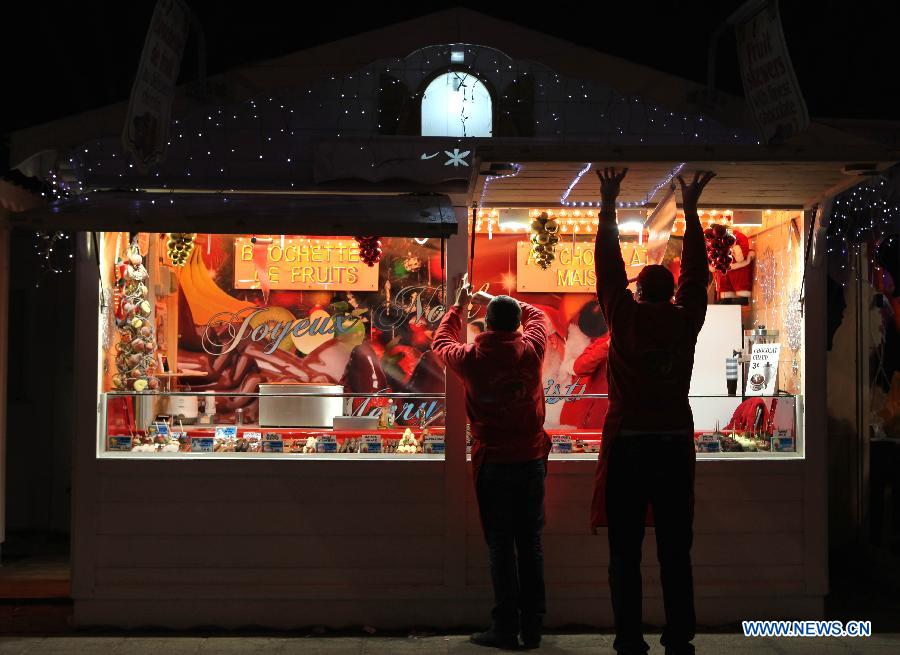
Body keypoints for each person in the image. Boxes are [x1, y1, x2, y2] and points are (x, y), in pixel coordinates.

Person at [590, 167, 716, 655]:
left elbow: (606, 268)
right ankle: (679, 638)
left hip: (628, 444)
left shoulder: (624, 320)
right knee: (674, 551)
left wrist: (608, 199)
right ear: (673, 292)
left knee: (624, 552)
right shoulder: (686, 323)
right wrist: (690, 209)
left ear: (639, 291)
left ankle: (628, 640)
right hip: (672, 443)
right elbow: (699, 275)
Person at [432, 281, 551, 650]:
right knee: (529, 543)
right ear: (515, 324)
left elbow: (440, 343)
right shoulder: (532, 350)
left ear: (486, 325)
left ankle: (504, 627)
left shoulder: (471, 358)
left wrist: (458, 306)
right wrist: (493, 300)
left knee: (501, 546)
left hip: (495, 464)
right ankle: (532, 628)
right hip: (530, 460)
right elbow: (539, 315)